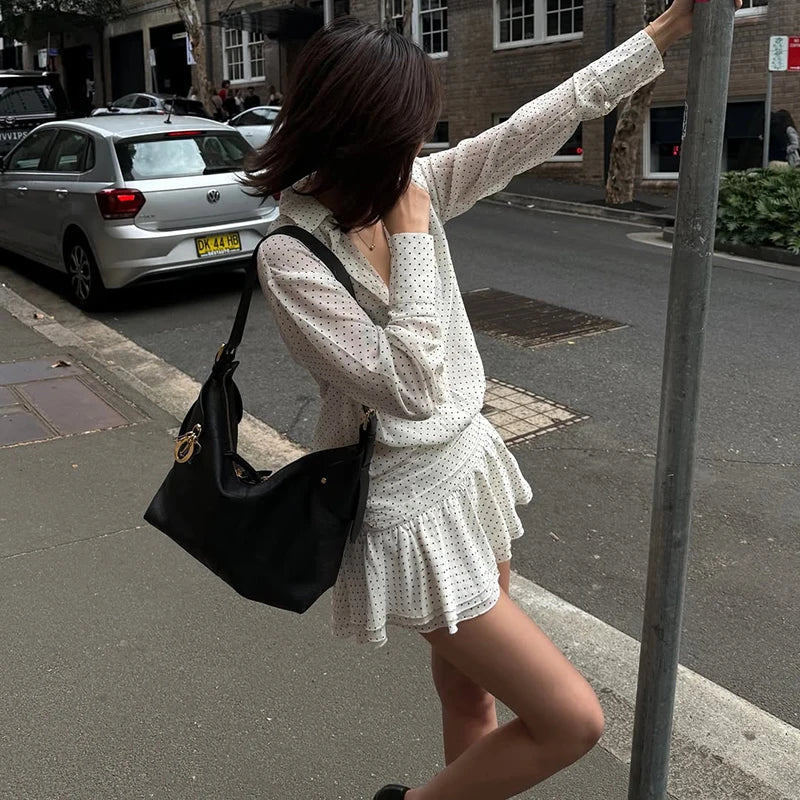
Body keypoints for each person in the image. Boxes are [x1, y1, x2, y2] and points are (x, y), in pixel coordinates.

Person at [245, 4, 741, 800]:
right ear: (352, 131)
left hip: (468, 473)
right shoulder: (293, 257)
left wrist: (661, 35)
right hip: (408, 508)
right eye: (406, 129)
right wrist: (410, 238)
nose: (420, 146)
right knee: (571, 719)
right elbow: (407, 384)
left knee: (469, 692)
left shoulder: (414, 183)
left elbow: (536, 125)